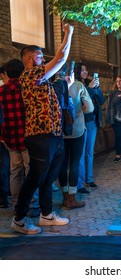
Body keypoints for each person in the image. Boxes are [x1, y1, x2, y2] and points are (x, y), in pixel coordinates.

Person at [11, 23, 74, 235]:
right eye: (39, 56)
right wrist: (68, 33)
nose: (43, 60)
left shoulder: (42, 79)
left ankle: (46, 215)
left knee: (49, 176)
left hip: (52, 134)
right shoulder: (29, 76)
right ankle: (19, 219)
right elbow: (61, 58)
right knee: (35, 177)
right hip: (40, 135)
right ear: (29, 60)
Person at [0, 59, 39, 214]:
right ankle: (32, 203)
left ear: (7, 73)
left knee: (15, 171)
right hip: (28, 136)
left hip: (9, 137)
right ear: (22, 71)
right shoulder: (27, 88)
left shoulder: (1, 91)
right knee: (31, 171)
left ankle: (17, 203)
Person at [56, 64, 94, 208]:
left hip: (59, 131)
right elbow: (90, 108)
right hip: (77, 129)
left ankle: (64, 196)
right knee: (75, 162)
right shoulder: (78, 85)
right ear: (70, 72)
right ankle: (72, 197)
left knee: (62, 163)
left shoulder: (53, 85)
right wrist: (78, 111)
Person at [74, 63, 105, 194]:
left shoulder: (90, 84)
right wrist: (91, 89)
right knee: (80, 154)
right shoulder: (75, 85)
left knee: (89, 153)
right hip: (81, 122)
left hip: (91, 121)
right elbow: (79, 102)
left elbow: (102, 101)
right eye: (82, 70)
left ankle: (89, 179)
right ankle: (80, 184)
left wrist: (97, 89)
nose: (85, 72)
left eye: (86, 69)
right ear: (77, 72)